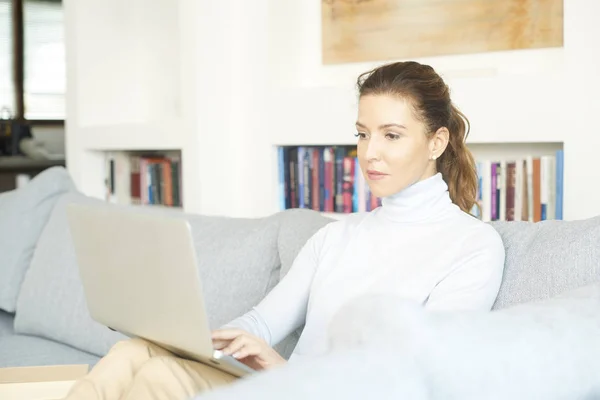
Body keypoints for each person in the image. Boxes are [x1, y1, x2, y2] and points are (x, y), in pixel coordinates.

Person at [65, 60, 505, 400]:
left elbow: (420, 378)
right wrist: (196, 342)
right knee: (134, 353)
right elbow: (260, 323)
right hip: (283, 387)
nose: (370, 153)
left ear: (437, 142)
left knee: (160, 376)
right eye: (362, 134)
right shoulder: (338, 236)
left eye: (391, 135)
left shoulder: (471, 246)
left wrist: (285, 372)